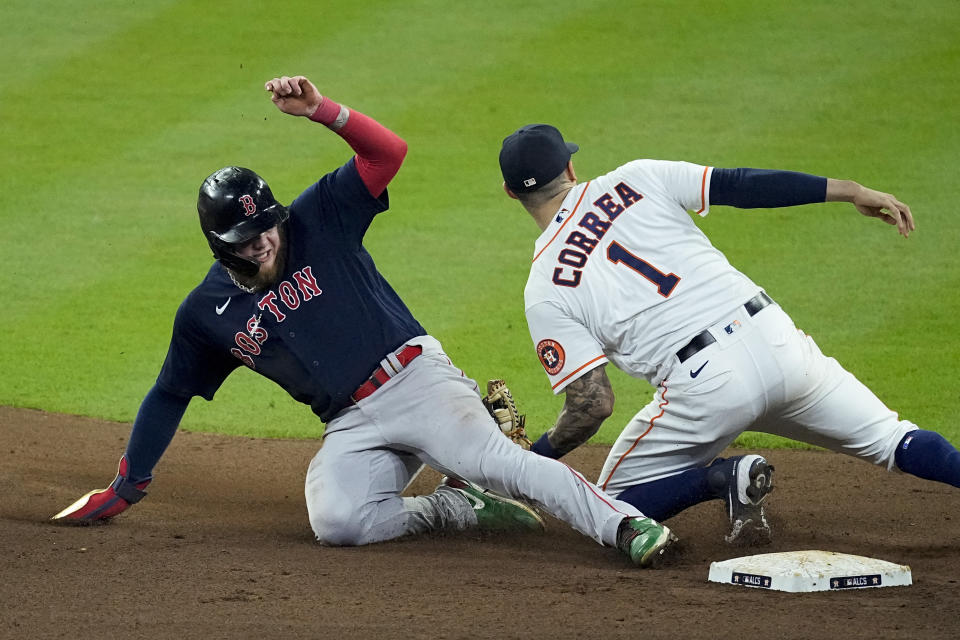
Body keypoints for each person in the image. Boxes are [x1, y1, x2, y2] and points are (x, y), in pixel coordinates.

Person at [51, 76, 677, 569]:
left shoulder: (317, 216)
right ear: (218, 246)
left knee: (504, 465)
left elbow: (388, 154)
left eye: (265, 225)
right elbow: (169, 392)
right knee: (338, 523)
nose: (264, 242)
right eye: (244, 240)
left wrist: (325, 112)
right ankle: (455, 509)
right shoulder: (205, 314)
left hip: (419, 381)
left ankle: (625, 526)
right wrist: (128, 484)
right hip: (349, 422)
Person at [498, 123, 959, 545]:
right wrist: (850, 190)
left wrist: (530, 458)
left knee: (607, 508)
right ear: (571, 167)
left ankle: (723, 479)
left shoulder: (544, 288)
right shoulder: (637, 177)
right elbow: (741, 184)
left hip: (705, 387)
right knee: (896, 440)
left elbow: (592, 404)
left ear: (510, 194)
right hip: (776, 340)